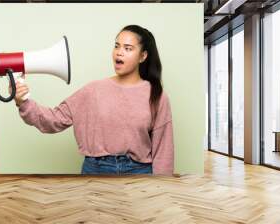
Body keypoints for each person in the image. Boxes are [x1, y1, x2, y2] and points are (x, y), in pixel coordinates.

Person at [11, 25, 174, 176]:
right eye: (116, 46)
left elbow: (163, 150)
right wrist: (23, 102)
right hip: (95, 171)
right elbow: (53, 120)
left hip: (140, 173)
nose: (119, 52)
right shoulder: (93, 90)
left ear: (143, 56)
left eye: (128, 48)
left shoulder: (157, 96)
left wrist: (161, 188)